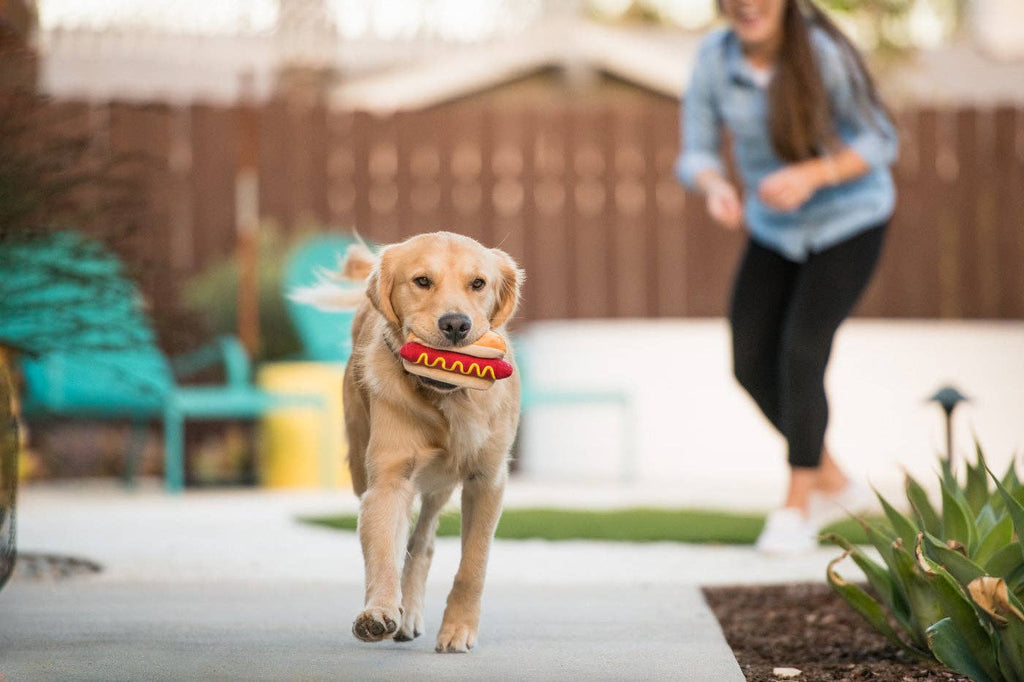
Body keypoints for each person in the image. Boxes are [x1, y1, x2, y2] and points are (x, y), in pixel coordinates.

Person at [675, 0, 898, 553]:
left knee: (802, 349)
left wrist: (814, 173)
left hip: (851, 220)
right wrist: (716, 185)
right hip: (776, 229)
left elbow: (880, 140)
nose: (748, 6)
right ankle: (835, 478)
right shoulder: (713, 58)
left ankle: (799, 505)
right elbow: (695, 152)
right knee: (750, 362)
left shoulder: (821, 55)